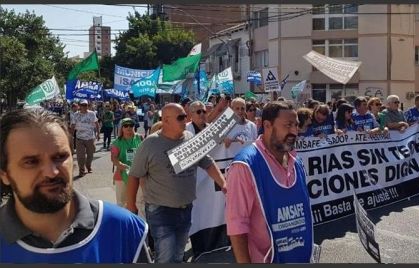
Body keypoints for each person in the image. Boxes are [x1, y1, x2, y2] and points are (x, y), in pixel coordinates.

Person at [0, 108, 151, 263]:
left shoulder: (123, 228)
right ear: (4, 173)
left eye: (60, 157)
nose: (51, 172)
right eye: (31, 162)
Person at [125, 103, 227, 263]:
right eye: (180, 117)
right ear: (165, 120)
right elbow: (134, 175)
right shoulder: (150, 144)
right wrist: (131, 205)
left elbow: (207, 163)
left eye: (185, 116)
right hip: (160, 210)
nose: (185, 119)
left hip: (186, 209)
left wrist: (224, 184)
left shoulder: (189, 138)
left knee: (178, 254)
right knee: (166, 256)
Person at [225, 101, 314, 263]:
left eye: (296, 125)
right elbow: (237, 224)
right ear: (267, 125)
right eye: (288, 125)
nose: (294, 131)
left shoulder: (296, 161)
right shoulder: (245, 165)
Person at [111, 118, 143, 207]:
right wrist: (121, 165)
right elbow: (114, 159)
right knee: (122, 202)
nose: (128, 128)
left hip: (138, 174)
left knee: (138, 201)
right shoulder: (117, 142)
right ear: (122, 128)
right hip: (122, 175)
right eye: (125, 126)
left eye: (131, 125)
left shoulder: (139, 137)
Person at [70, 100, 100, 177]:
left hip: (90, 138)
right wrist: (71, 136)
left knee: (90, 154)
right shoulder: (76, 115)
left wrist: (98, 134)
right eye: (83, 105)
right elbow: (73, 126)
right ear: (79, 106)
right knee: (81, 156)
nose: (84, 106)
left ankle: (88, 165)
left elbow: (96, 124)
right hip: (79, 138)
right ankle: (81, 170)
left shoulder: (92, 114)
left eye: (86, 105)